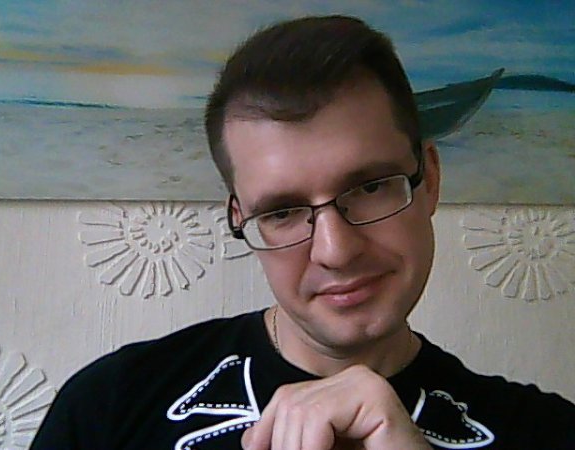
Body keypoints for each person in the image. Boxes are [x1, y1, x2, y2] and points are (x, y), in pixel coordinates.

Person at [31, 15, 575, 450]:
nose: (335, 251)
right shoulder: (110, 405)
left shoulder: (551, 433)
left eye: (370, 187)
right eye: (283, 211)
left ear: (429, 180)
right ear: (241, 220)